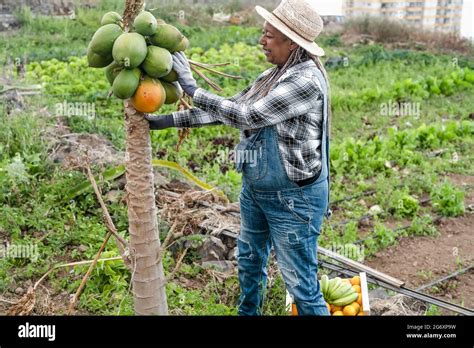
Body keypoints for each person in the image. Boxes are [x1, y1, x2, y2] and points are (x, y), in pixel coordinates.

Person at [146, 0, 332, 316]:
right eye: (264, 33)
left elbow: (249, 115)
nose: (262, 41)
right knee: (249, 260)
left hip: (293, 198)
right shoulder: (270, 76)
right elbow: (229, 110)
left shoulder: (306, 81)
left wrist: (192, 88)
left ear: (292, 43)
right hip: (256, 190)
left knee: (301, 285)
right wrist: (166, 121)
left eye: (269, 36)